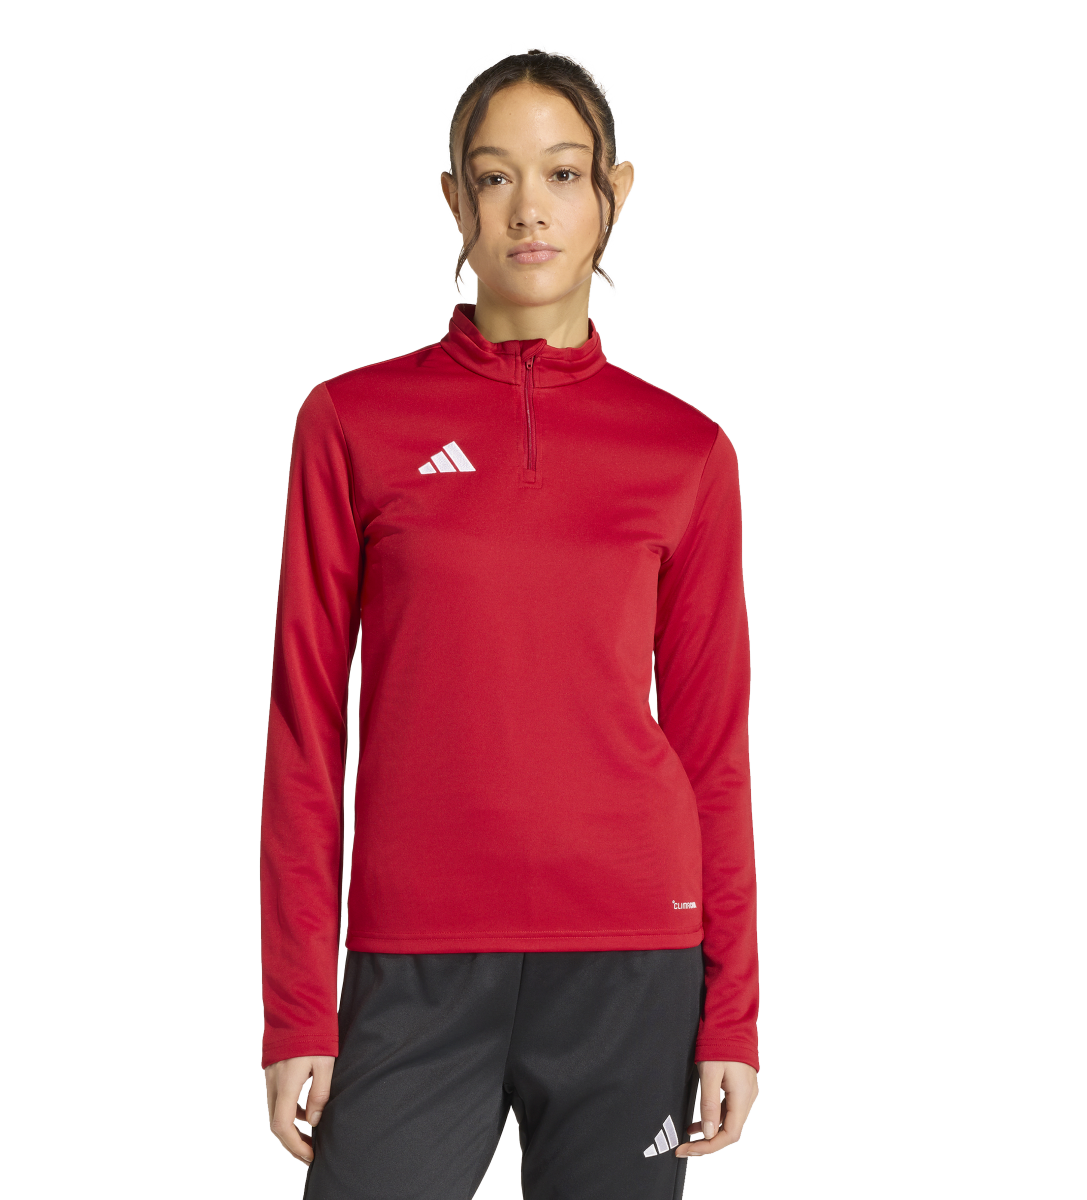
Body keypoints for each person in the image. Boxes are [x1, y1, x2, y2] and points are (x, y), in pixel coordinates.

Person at [260, 44, 758, 1199]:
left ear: (613, 192)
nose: (529, 208)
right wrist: (297, 1007)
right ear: (454, 197)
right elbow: (303, 730)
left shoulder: (686, 451)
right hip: (413, 958)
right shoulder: (351, 422)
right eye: (494, 175)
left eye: (564, 173)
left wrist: (731, 1011)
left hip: (634, 954)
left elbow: (713, 746)